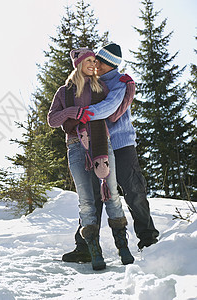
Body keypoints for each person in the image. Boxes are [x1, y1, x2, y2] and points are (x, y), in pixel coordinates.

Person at [61, 43, 160, 264]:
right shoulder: (89, 82)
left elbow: (110, 108)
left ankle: (148, 240)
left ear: (110, 64)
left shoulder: (121, 82)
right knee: (92, 195)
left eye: (101, 61)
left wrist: (81, 113)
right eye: (95, 60)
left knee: (133, 189)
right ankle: (84, 247)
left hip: (121, 144)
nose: (96, 64)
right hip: (97, 146)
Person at [48, 48, 134, 270]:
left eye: (94, 60)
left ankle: (123, 247)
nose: (93, 63)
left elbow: (113, 112)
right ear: (78, 64)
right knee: (86, 201)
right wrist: (72, 112)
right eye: (88, 60)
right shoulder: (64, 92)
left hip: (101, 144)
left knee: (112, 194)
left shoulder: (101, 87)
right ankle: (94, 251)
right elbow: (52, 120)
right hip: (76, 147)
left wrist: (128, 90)